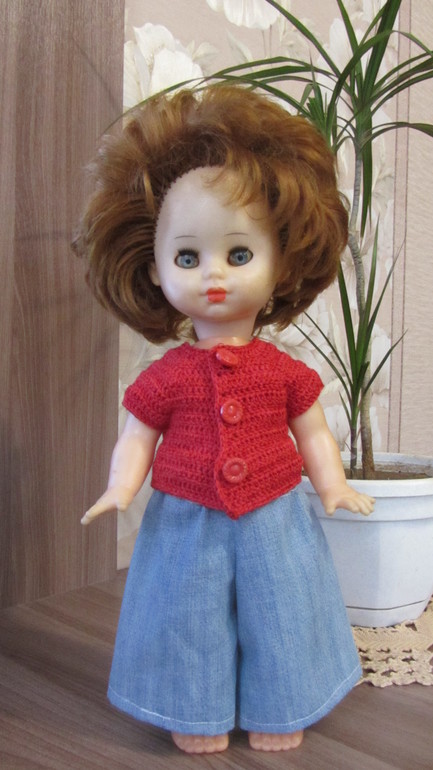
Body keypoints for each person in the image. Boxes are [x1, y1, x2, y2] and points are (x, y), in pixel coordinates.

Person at [73, 85, 374, 754]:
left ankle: (281, 704)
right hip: (186, 515)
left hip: (274, 511)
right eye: (188, 258)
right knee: (186, 613)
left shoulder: (283, 372)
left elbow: (312, 431)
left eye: (239, 255)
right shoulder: (167, 377)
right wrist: (121, 487)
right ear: (154, 269)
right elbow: (137, 436)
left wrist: (332, 486)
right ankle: (193, 708)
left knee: (283, 609)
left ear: (281, 261)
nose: (214, 276)